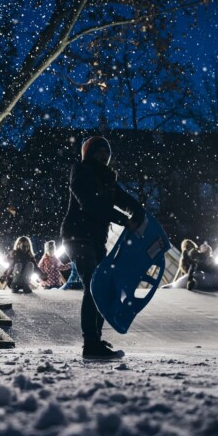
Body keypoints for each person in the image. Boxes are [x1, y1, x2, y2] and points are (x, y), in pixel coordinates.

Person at [60, 136, 145, 359]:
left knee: (103, 287)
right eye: (99, 151)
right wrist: (123, 219)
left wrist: (138, 212)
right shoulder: (81, 172)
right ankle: (90, 344)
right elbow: (90, 203)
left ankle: (95, 339)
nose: (104, 156)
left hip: (95, 239)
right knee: (94, 285)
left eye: (106, 153)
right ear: (89, 154)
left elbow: (122, 198)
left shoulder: (106, 179)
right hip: (77, 236)